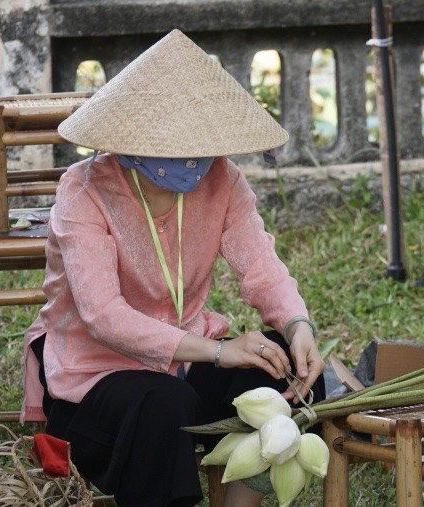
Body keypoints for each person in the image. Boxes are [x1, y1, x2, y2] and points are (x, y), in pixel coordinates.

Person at [22, 29, 326, 507]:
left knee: (283, 372)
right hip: (94, 382)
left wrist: (298, 324)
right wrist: (219, 352)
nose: (190, 158)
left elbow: (261, 268)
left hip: (185, 365)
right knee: (166, 404)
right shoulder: (83, 191)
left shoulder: (223, 179)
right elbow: (102, 315)